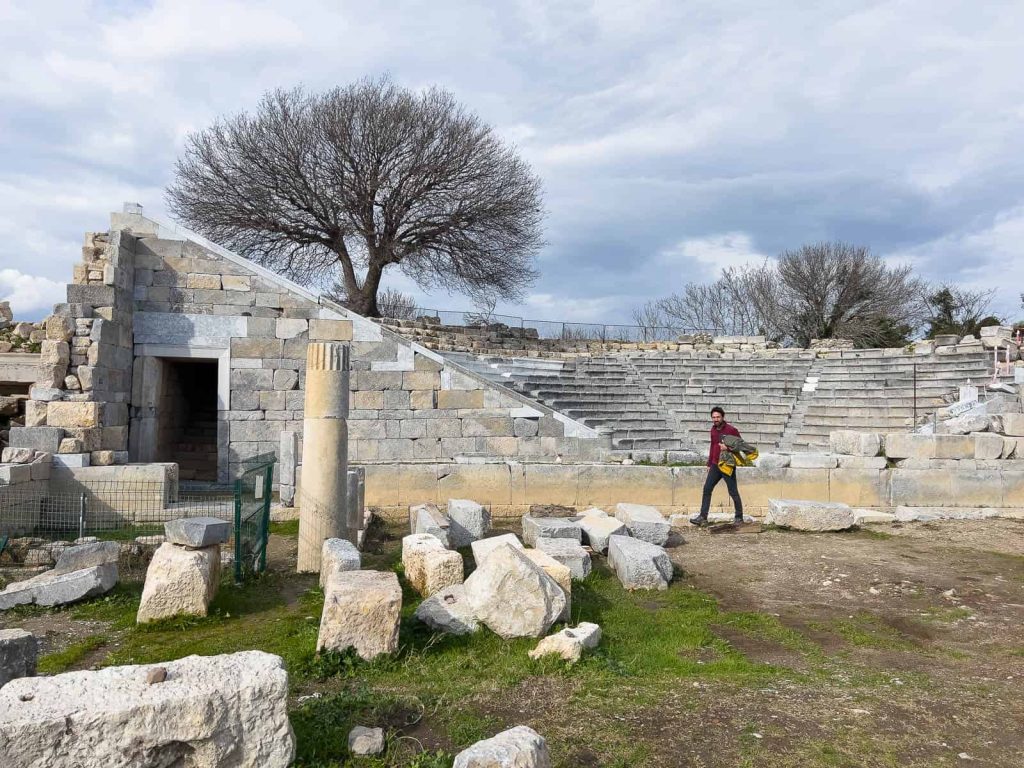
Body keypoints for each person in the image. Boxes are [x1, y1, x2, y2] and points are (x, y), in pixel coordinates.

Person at [690, 406, 744, 526]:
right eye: (713, 417)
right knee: (707, 489)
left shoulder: (731, 430)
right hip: (715, 464)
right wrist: (709, 463)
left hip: (727, 464)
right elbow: (713, 446)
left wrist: (728, 448)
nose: (715, 419)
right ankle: (703, 517)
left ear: (722, 417)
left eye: (718, 417)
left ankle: (739, 517)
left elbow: (741, 445)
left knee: (733, 491)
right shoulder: (713, 430)